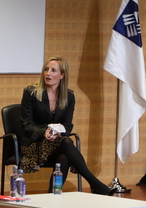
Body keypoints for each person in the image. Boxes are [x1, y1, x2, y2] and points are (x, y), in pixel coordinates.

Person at [20, 56, 112, 195]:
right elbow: (26, 124)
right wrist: (45, 132)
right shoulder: (31, 92)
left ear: (62, 75)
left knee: (65, 155)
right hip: (35, 144)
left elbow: (67, 126)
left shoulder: (69, 96)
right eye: (46, 69)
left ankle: (51, 199)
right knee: (66, 143)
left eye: (53, 70)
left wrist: (58, 132)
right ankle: (94, 183)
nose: (48, 73)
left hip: (57, 143)